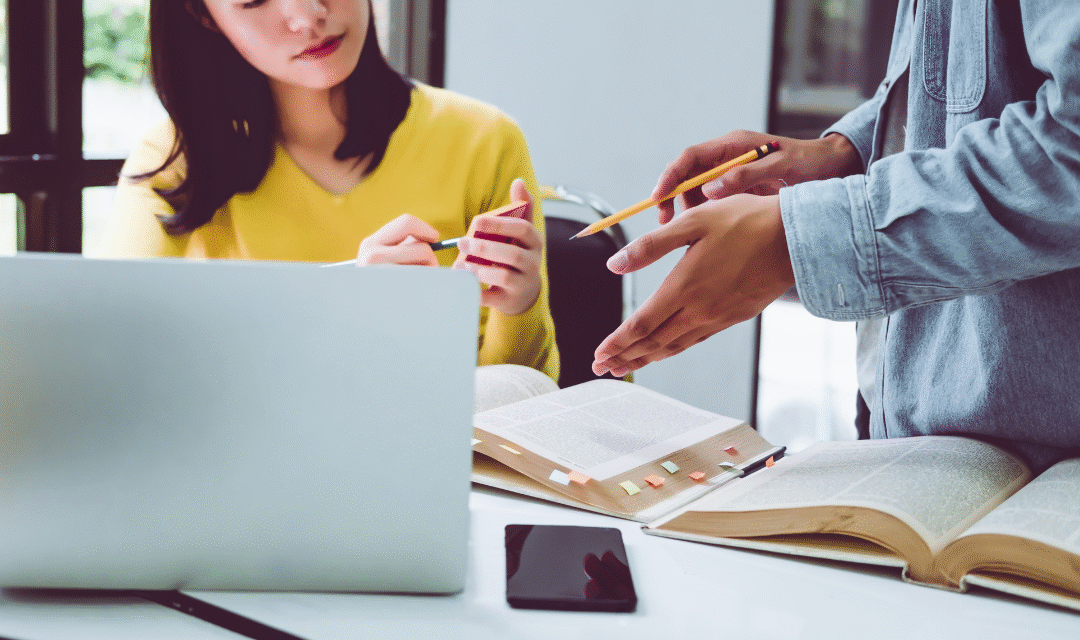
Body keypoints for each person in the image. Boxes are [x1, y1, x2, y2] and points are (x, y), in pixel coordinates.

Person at [591, 0, 1080, 472]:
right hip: (922, 444)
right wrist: (842, 154)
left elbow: (1070, 151)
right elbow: (946, 82)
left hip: (1039, 477)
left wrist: (795, 237)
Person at [97, 0, 559, 381]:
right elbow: (121, 380)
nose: (307, 14)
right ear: (202, 15)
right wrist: (343, 322)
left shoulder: (485, 141)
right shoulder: (171, 165)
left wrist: (519, 307)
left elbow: (519, 413)